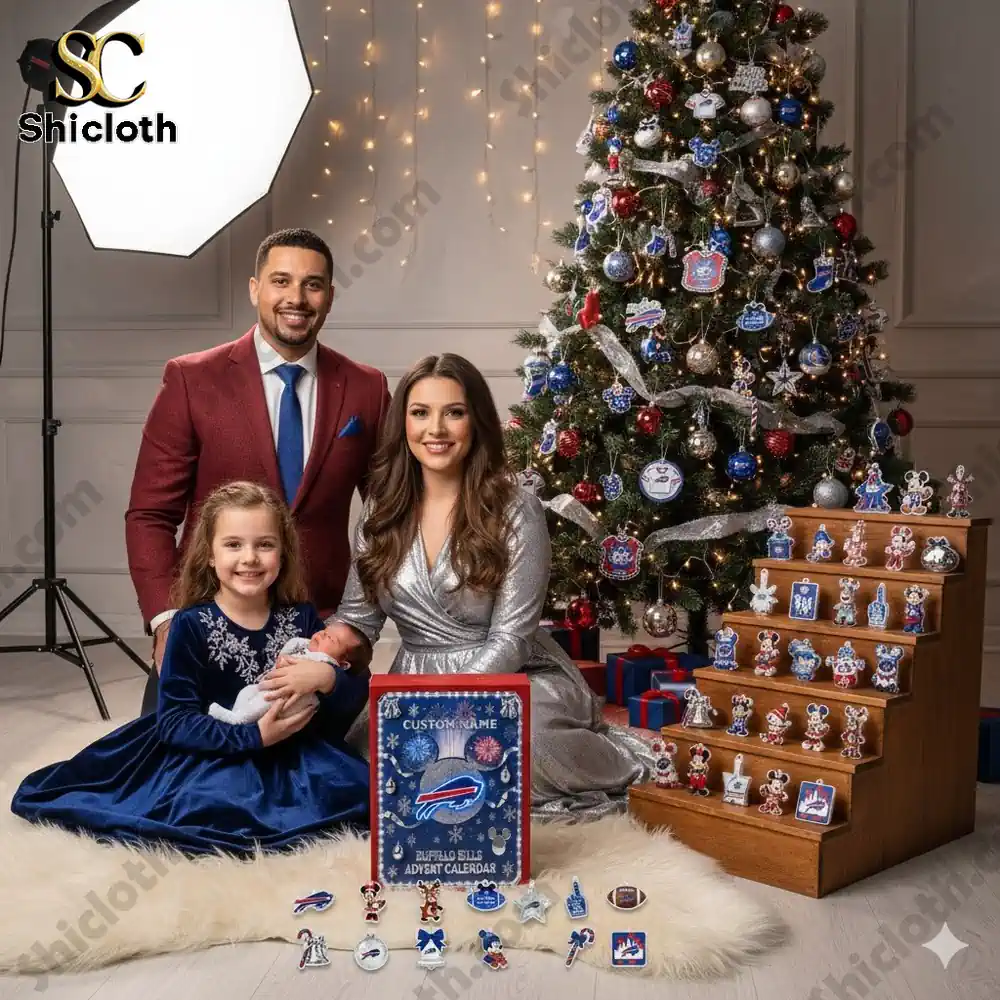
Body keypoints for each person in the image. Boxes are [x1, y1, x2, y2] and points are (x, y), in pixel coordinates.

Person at [307, 354, 652, 819]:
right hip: (415, 679)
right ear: (402, 423)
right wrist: (314, 657)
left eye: (454, 412)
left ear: (476, 421)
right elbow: (357, 618)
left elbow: (511, 640)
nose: (436, 429)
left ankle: (620, 762)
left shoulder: (516, 509)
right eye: (420, 412)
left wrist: (446, 710)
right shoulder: (380, 511)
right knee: (371, 771)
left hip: (515, 677)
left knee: (513, 751)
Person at [11, 482, 370, 856]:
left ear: (282, 554)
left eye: (264, 544)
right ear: (210, 555)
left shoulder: (302, 618)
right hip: (214, 751)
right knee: (215, 807)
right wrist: (256, 737)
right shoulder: (190, 625)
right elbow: (175, 721)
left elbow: (352, 694)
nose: (249, 558)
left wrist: (328, 678)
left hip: (293, 754)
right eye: (233, 544)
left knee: (361, 793)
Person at [126, 227, 390, 715]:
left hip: (320, 630)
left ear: (329, 296)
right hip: (208, 625)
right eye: (281, 281)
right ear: (255, 289)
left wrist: (357, 624)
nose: (296, 298)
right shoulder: (191, 379)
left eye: (312, 285)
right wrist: (168, 623)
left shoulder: (366, 388)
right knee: (176, 778)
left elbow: (392, 515)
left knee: (340, 784)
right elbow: (149, 514)